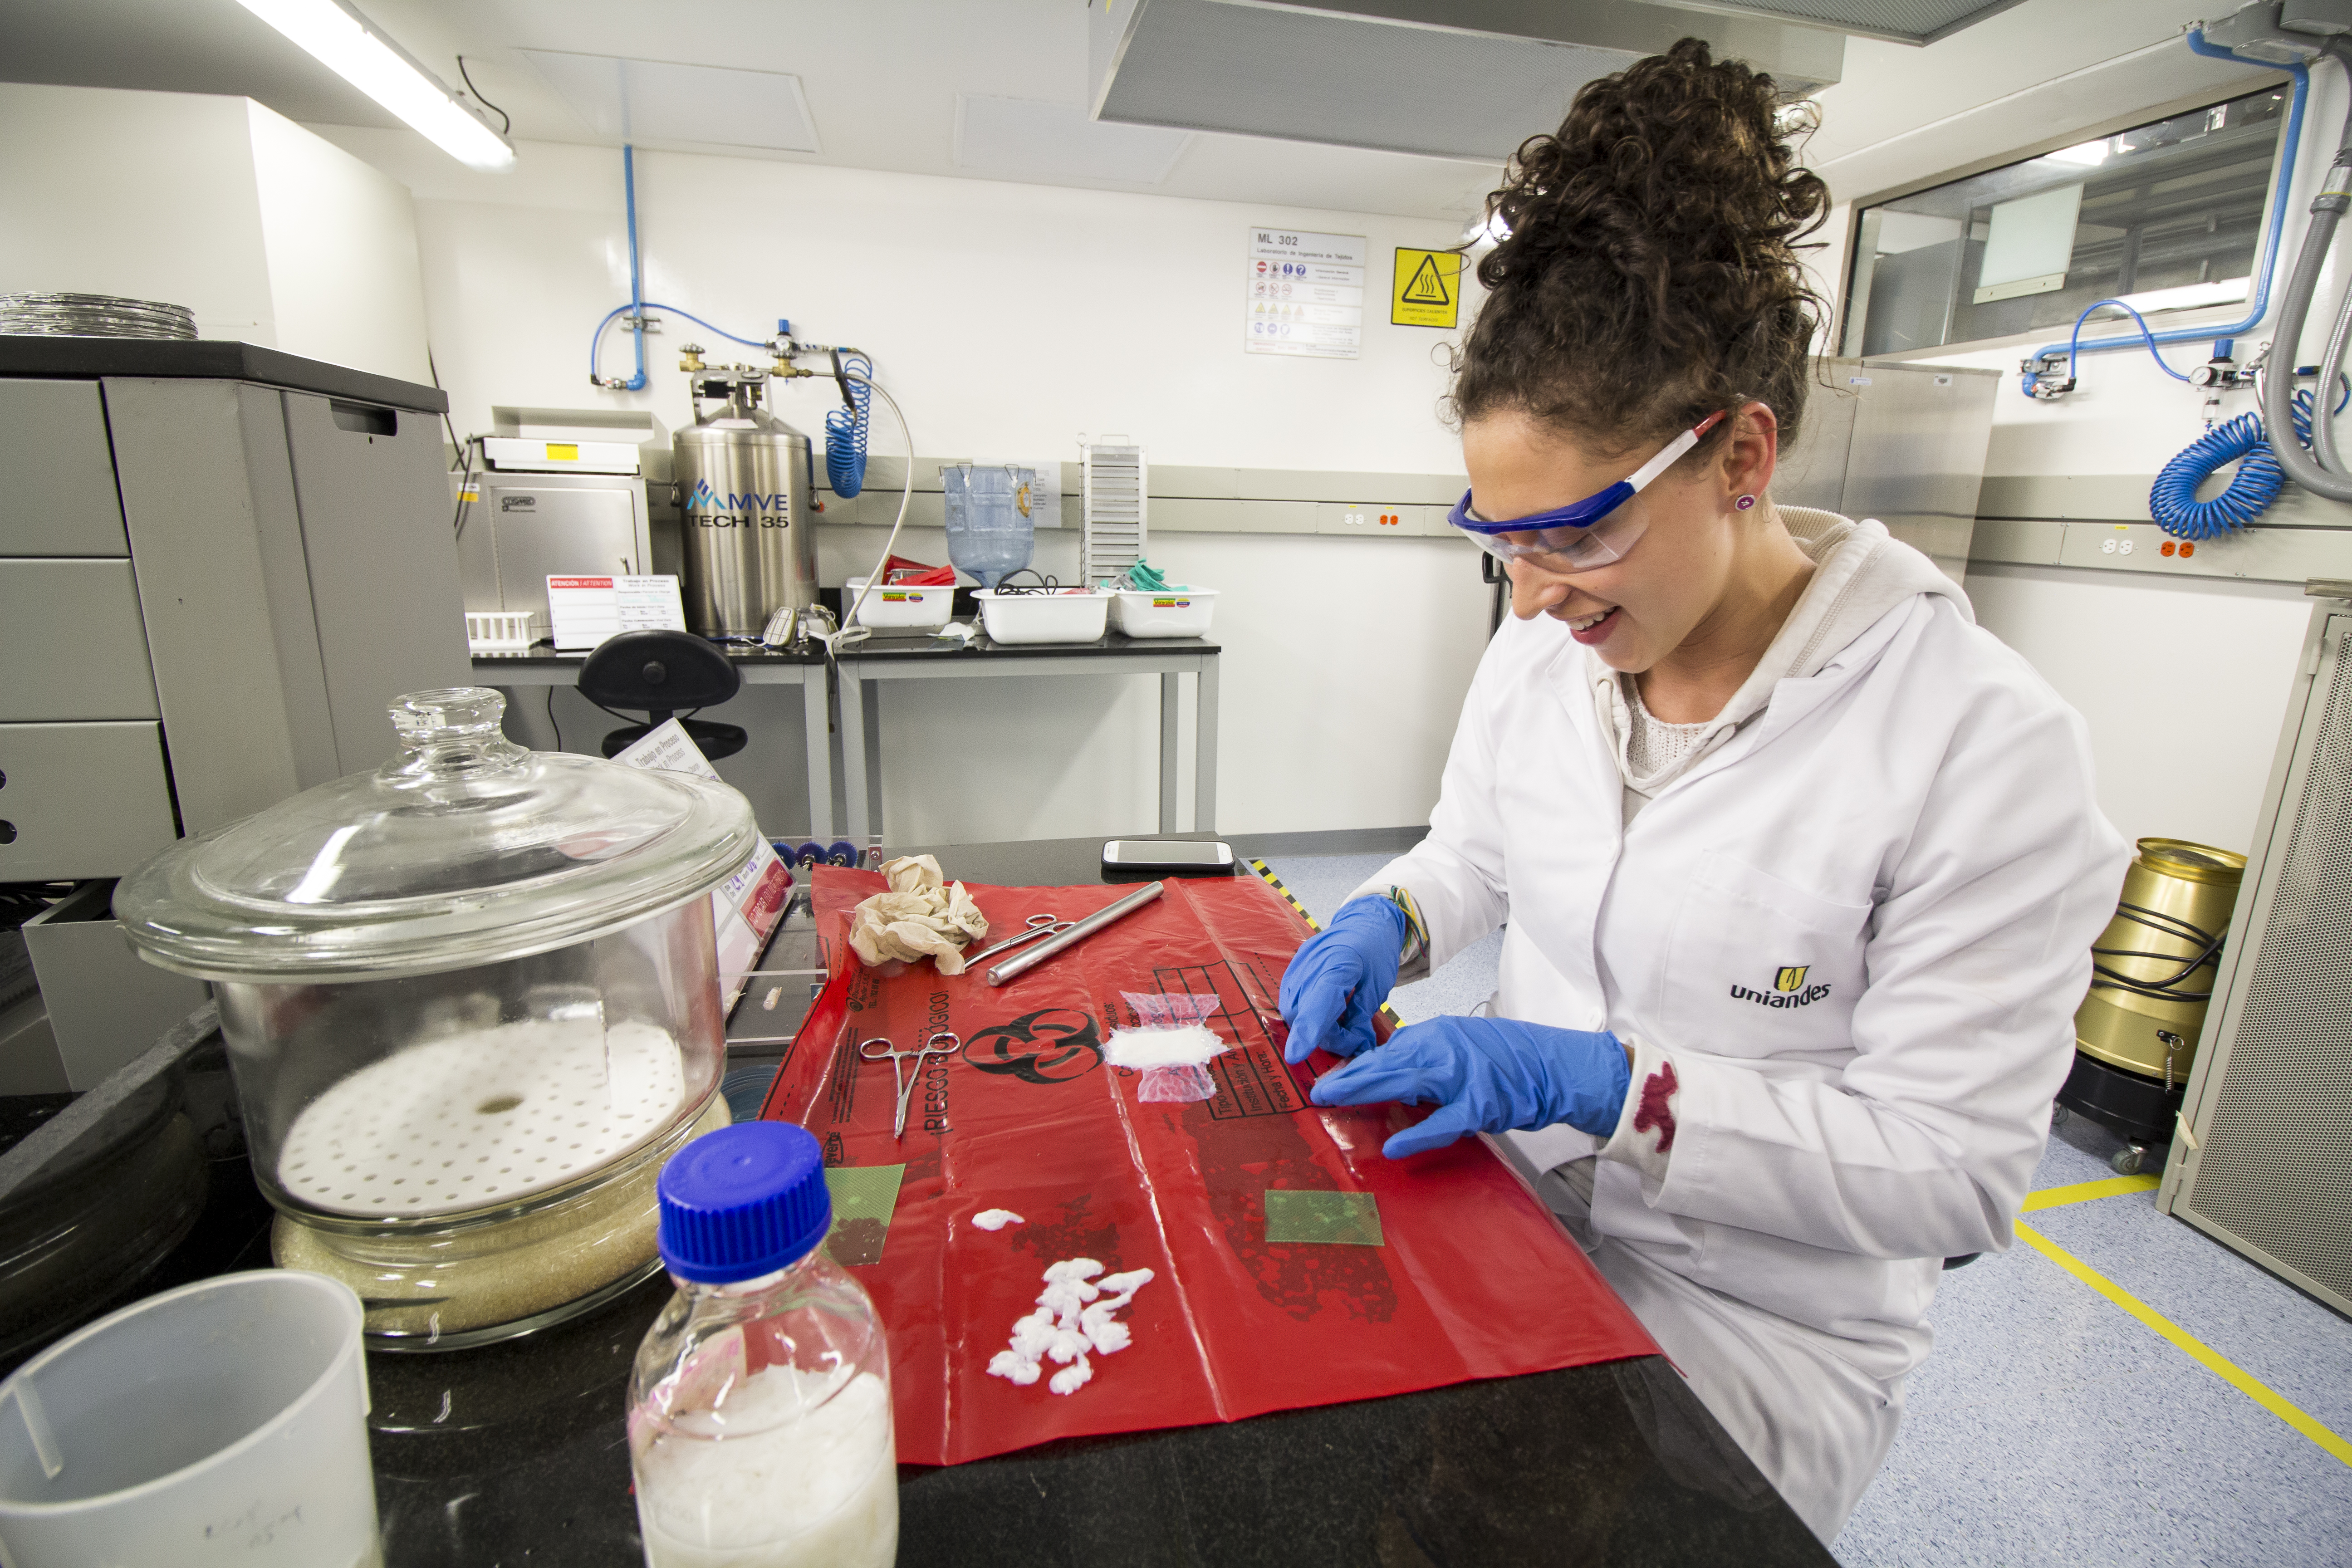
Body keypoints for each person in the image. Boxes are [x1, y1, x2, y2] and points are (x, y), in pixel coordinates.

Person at [1276, 39, 2128, 1544]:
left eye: (1575, 535)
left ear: (1741, 455)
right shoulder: (1545, 655)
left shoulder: (1980, 747)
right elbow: (1477, 850)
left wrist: (1617, 1092)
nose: (1531, 595)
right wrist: (1390, 918)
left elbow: (1952, 1175)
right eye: (1500, 540)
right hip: (1515, 1215)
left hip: (1757, 1331)